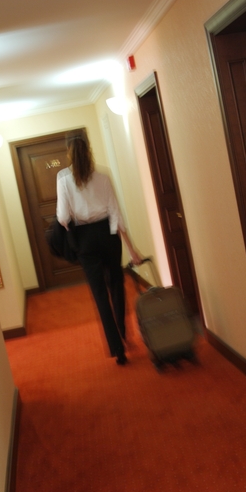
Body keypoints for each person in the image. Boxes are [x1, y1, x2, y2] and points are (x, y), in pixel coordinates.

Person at [56, 130, 142, 365]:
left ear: (68, 152)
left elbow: (63, 217)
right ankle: (124, 334)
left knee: (100, 295)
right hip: (108, 235)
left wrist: (73, 222)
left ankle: (117, 349)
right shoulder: (103, 175)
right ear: (89, 149)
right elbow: (116, 212)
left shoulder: (63, 178)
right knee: (116, 285)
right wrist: (132, 250)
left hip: (85, 239)